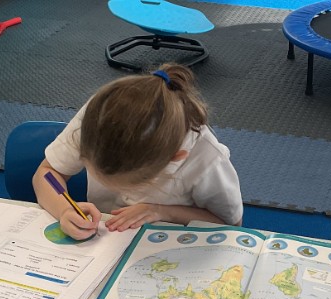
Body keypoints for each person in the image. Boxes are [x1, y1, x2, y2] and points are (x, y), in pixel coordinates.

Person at [33, 63, 243, 240]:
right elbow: (48, 173)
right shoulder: (99, 117)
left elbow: (230, 225)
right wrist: (64, 209)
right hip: (107, 241)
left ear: (174, 159)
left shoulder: (208, 158)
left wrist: (160, 211)